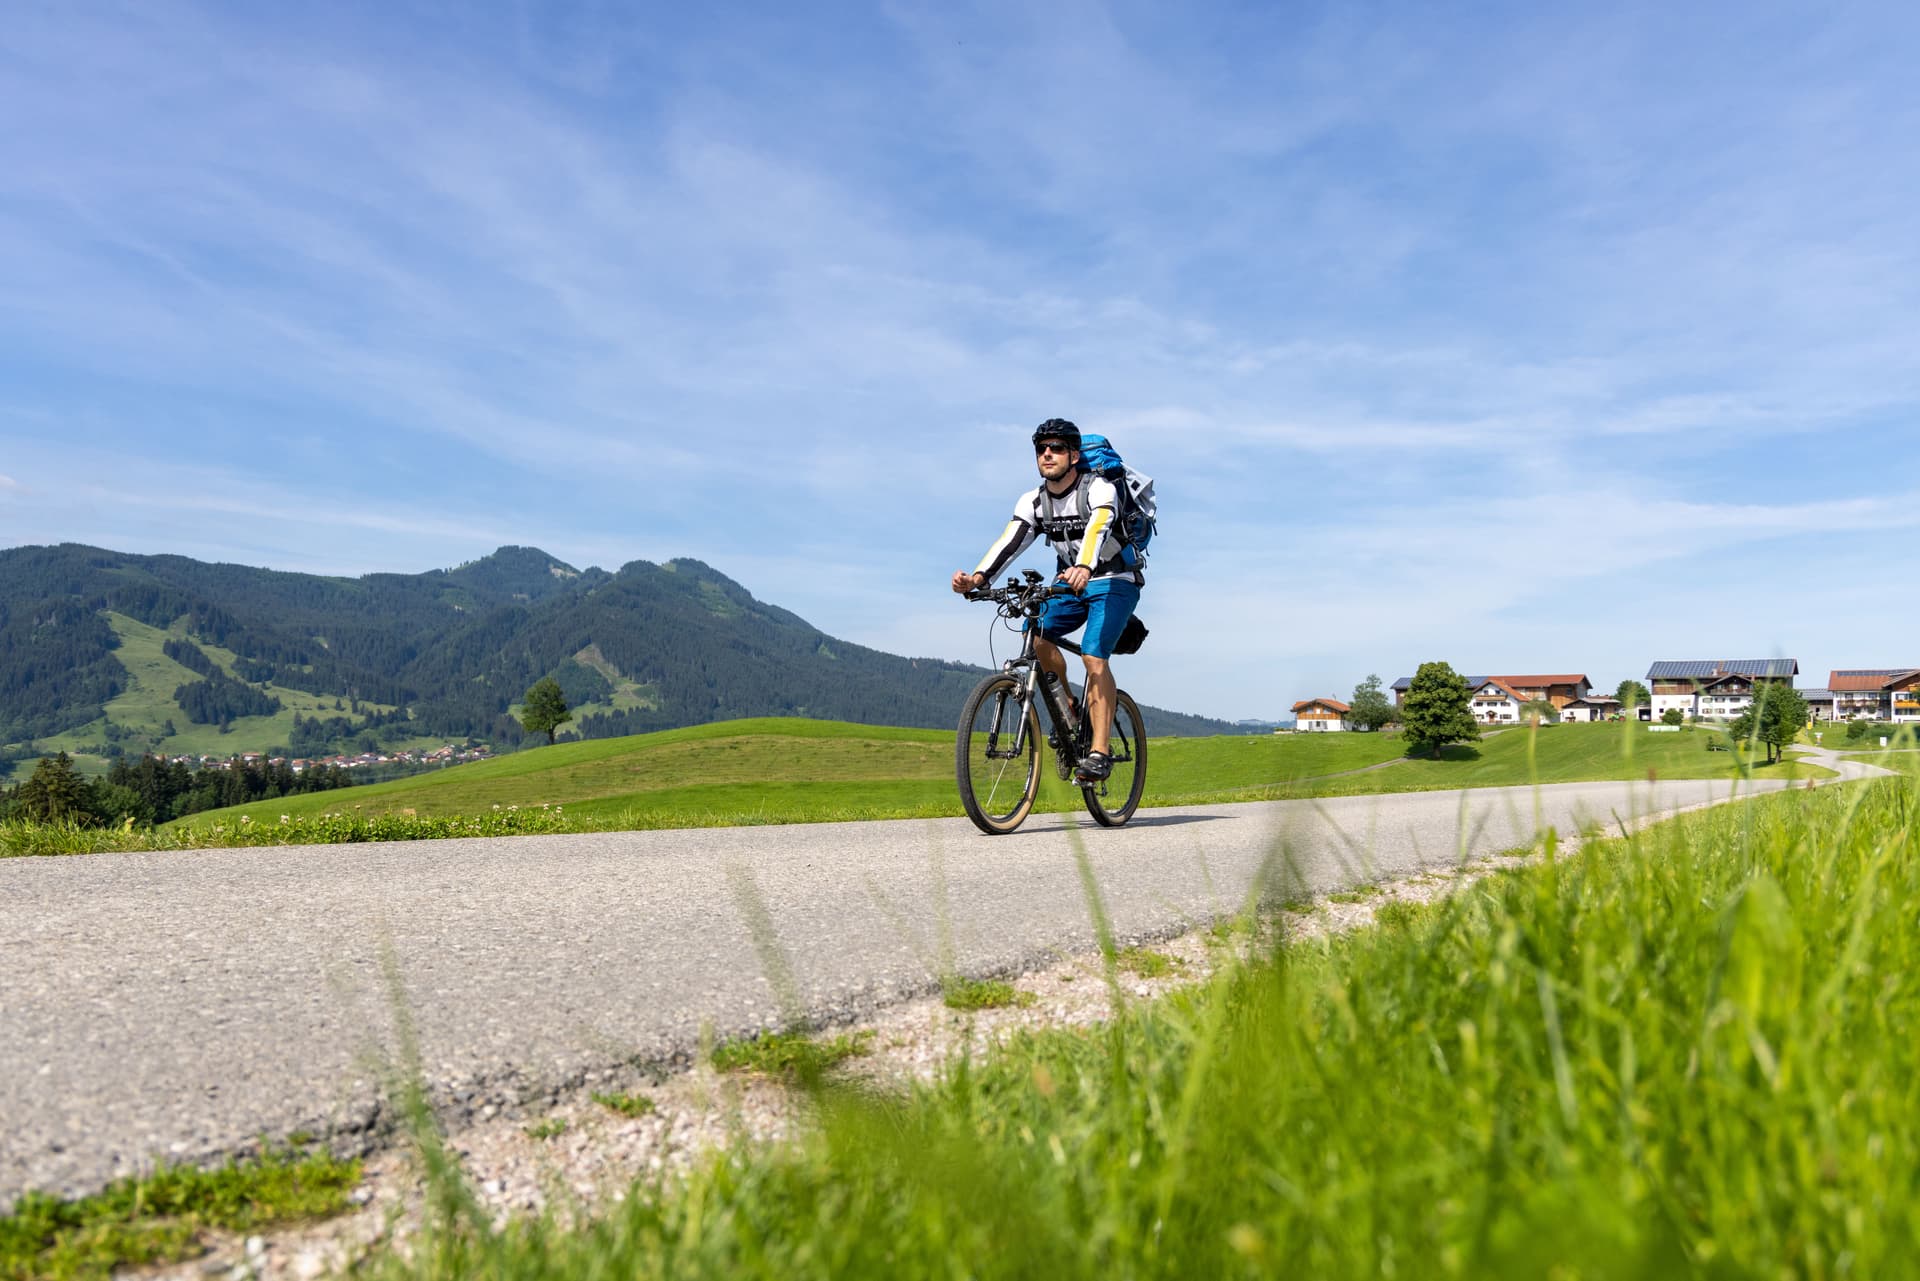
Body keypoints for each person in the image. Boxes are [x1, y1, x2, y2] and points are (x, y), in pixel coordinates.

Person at [950, 418, 1142, 782]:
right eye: (1041, 449)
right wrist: (978, 578)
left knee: (1092, 655)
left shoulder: (1099, 489)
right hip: (1069, 583)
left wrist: (1085, 566)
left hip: (1115, 579)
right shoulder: (1034, 501)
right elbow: (1011, 541)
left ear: (1073, 455)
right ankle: (1067, 705)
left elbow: (1098, 528)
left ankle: (1099, 751)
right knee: (1036, 635)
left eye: (1056, 448)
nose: (1047, 454)